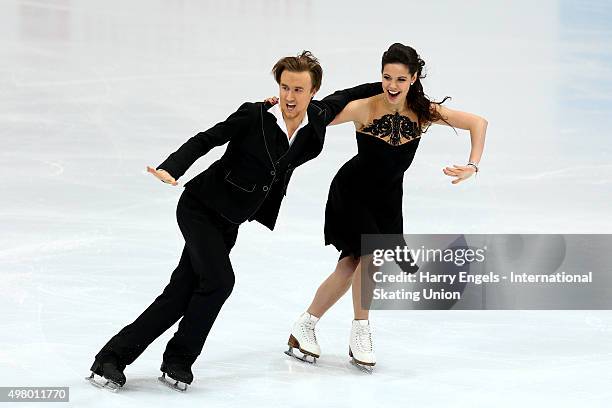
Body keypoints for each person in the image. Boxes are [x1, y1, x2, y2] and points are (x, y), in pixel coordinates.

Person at [87, 51, 381, 391]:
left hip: (230, 221)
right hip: (199, 208)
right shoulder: (254, 115)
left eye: (298, 89)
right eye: (285, 87)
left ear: (313, 91)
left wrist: (396, 88)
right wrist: (172, 166)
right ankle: (179, 360)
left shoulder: (317, 118)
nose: (289, 96)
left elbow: (349, 94)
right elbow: (208, 138)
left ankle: (112, 359)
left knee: (181, 293)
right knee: (219, 281)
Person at [285, 43, 488, 371]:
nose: (392, 85)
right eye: (386, 77)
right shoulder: (365, 107)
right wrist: (289, 102)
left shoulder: (424, 112)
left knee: (350, 264)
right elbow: (314, 115)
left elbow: (478, 123)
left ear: (414, 78)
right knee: (369, 256)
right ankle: (360, 330)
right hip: (352, 191)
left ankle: (305, 325)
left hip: (388, 198)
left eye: (400, 79)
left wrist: (472, 165)